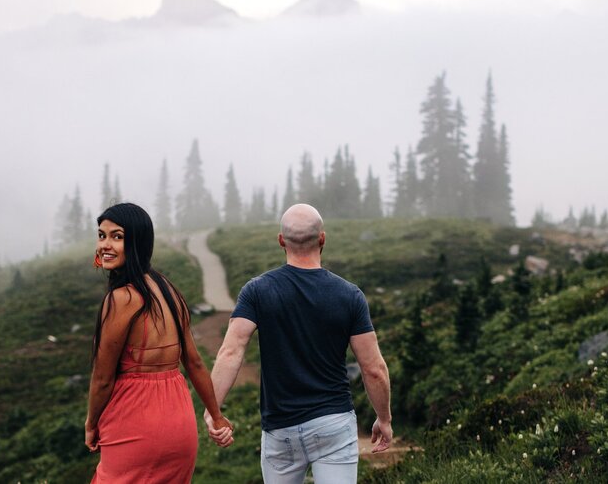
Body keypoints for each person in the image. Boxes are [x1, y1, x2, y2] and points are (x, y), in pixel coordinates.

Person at [204, 203, 392, 484]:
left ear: (281, 241)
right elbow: (373, 367)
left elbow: (231, 351)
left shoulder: (257, 291)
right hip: (333, 423)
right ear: (322, 238)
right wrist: (384, 419)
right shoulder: (349, 295)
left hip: (281, 429)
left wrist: (213, 410)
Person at [85, 202, 232, 483]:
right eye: (102, 235)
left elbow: (103, 379)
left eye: (117, 237)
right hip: (180, 424)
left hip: (135, 421)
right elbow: (195, 362)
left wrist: (91, 424)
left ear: (138, 242)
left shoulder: (121, 299)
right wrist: (216, 415)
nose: (105, 244)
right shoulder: (167, 289)